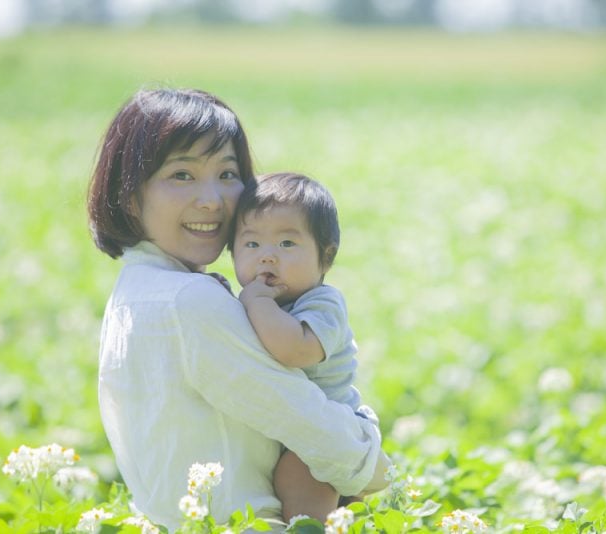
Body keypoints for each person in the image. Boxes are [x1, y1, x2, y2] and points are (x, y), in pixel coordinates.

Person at [87, 88, 388, 531]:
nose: (213, 199)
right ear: (130, 195)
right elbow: (307, 421)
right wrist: (378, 467)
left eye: (228, 173)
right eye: (182, 175)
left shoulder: (132, 293)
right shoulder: (189, 301)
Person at [229, 172, 376, 522]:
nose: (267, 257)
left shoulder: (323, 304)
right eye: (252, 244)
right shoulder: (251, 300)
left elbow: (295, 351)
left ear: (326, 257)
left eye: (286, 244)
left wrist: (258, 304)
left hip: (327, 433)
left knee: (299, 481)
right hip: (285, 426)